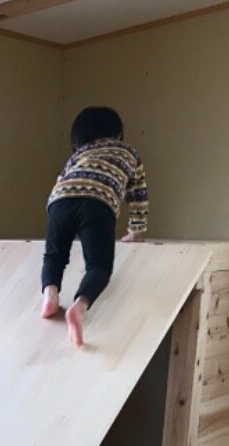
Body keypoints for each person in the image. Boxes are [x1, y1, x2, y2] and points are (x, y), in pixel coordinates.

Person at [40, 106, 150, 348]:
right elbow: (138, 194)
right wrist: (136, 230)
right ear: (118, 133)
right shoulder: (129, 152)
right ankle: (79, 306)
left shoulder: (78, 154)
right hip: (98, 202)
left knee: (54, 256)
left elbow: (61, 181)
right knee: (98, 266)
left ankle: (50, 295)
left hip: (60, 201)